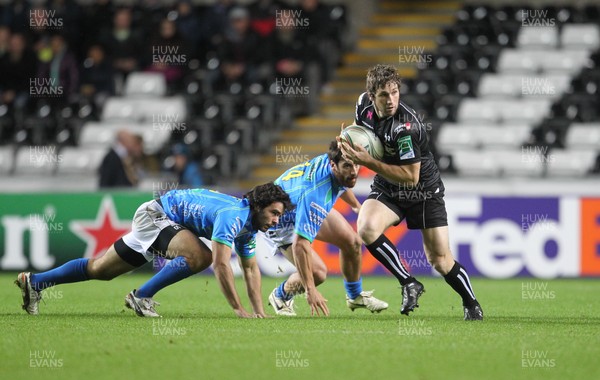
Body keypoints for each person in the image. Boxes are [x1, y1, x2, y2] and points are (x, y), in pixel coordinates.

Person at [15, 183, 292, 318]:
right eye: (274, 213)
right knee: (200, 256)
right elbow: (220, 265)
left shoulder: (250, 226)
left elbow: (250, 268)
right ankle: (141, 297)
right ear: (258, 206)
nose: (277, 220)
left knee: (100, 270)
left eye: (280, 215)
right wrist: (238, 309)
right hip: (156, 214)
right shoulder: (233, 216)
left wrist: (258, 312)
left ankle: (36, 282)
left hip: (167, 221)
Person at [340, 64, 483, 320]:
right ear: (371, 96)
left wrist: (368, 162)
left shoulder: (405, 127)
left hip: (422, 190)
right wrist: (349, 144)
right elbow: (359, 133)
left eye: (395, 92)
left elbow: (410, 176)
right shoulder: (362, 105)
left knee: (439, 259)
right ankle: (408, 283)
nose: (391, 99)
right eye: (384, 94)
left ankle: (471, 303)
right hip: (388, 183)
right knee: (366, 228)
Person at [265, 141, 388, 317]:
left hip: (298, 203)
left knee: (352, 242)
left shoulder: (337, 158)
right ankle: (280, 295)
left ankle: (355, 296)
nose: (354, 171)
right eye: (347, 166)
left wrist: (356, 206)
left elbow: (344, 181)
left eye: (356, 165)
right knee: (317, 273)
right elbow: (300, 245)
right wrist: (310, 290)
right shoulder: (315, 195)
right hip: (281, 221)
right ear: (333, 165)